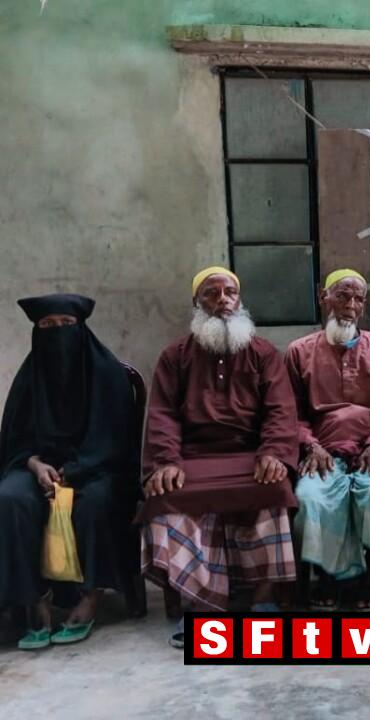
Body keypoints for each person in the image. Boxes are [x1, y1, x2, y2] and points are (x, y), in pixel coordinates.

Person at [140, 267, 299, 647]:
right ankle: (201, 608)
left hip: (250, 456)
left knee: (274, 488)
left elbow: (280, 411)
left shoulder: (264, 354)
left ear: (240, 300)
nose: (223, 300)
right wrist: (166, 461)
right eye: (212, 294)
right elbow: (162, 414)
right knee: (166, 496)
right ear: (197, 303)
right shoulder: (175, 356)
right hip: (192, 458)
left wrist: (273, 452)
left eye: (230, 292)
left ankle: (263, 600)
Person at [0, 294, 139, 649]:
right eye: (47, 326)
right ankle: (33, 600)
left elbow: (117, 440)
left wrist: (73, 472)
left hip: (96, 468)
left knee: (95, 502)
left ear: (81, 328)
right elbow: (15, 439)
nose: (57, 333)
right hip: (37, 468)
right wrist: (35, 465)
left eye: (65, 324)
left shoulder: (107, 373)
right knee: (10, 498)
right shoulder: (30, 378)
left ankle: (90, 597)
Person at [286, 269, 370, 610]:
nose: (351, 305)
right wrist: (310, 445)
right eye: (342, 296)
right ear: (324, 297)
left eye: (358, 299)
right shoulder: (298, 352)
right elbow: (290, 413)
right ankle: (327, 574)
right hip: (322, 452)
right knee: (310, 497)